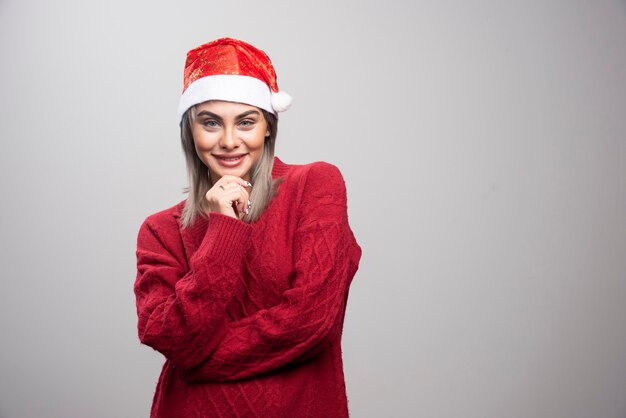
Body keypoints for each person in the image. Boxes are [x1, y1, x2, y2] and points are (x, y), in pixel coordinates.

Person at [134, 37, 362, 417]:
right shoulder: (161, 230)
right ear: (190, 131)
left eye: (245, 122)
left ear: (268, 127)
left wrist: (198, 360)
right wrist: (224, 227)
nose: (228, 141)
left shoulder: (315, 186)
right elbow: (172, 336)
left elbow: (311, 322)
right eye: (210, 122)